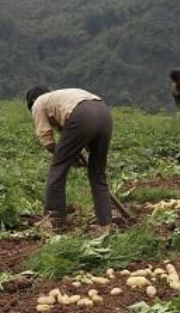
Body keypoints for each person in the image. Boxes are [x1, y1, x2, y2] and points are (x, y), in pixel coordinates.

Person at [25, 86, 114, 233]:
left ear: (31, 101)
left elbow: (46, 138)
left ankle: (54, 219)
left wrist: (61, 155)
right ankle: (105, 225)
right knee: (97, 173)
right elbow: (71, 135)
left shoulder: (38, 103)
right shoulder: (59, 98)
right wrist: (73, 155)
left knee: (58, 167)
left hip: (82, 115)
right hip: (104, 112)